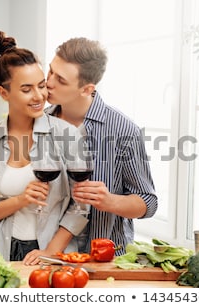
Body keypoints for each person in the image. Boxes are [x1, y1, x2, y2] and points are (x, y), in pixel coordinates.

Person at [0, 31, 88, 265]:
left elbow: (81, 205)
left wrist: (50, 251)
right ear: (4, 93)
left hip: (52, 254)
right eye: (26, 89)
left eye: (41, 86)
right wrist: (20, 200)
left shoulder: (66, 134)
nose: (39, 96)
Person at [45, 37, 158, 254]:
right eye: (50, 71)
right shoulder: (40, 122)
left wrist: (109, 201)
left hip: (103, 260)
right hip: (47, 255)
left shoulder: (123, 130)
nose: (49, 83)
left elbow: (148, 203)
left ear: (86, 89)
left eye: (61, 79)